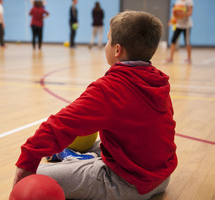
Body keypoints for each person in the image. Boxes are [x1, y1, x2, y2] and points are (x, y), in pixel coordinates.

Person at [13, 10, 178, 200]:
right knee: (97, 144)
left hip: (128, 185)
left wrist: (25, 164)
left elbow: (59, 125)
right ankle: (78, 158)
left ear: (117, 50)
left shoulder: (109, 89)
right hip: (162, 177)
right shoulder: (157, 80)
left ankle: (78, 161)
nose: (105, 45)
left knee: (36, 177)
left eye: (107, 40)